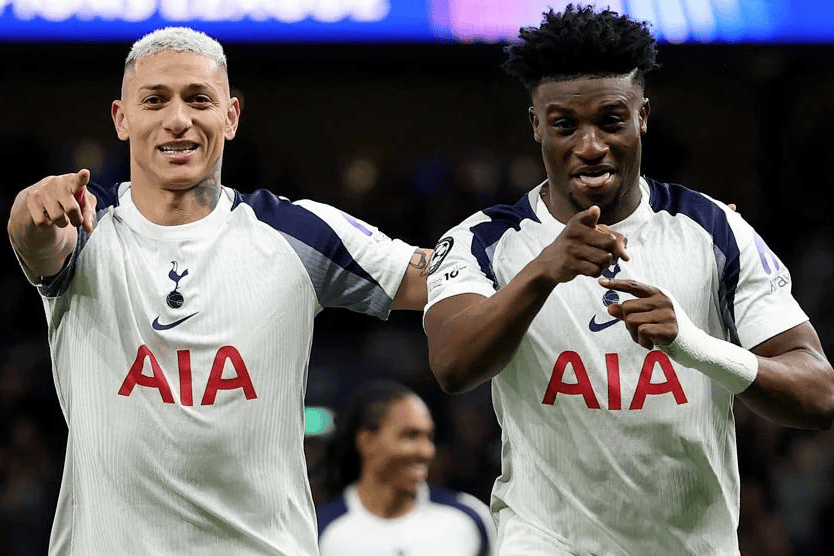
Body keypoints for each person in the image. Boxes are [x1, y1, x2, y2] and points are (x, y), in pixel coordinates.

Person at [422, 4, 834, 555]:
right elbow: (452, 364)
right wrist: (544, 270)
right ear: (536, 125)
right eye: (565, 125)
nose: (590, 146)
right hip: (546, 540)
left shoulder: (714, 228)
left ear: (642, 116)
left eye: (611, 120)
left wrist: (696, 346)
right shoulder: (483, 239)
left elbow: (819, 394)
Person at [6, 27, 431, 555]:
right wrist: (33, 204)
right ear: (121, 117)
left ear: (230, 116)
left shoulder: (297, 234)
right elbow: (35, 237)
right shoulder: (85, 225)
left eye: (198, 99)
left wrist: (516, 245)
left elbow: (435, 277)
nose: (177, 119)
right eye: (155, 100)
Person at [316, 379, 495, 556]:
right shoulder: (321, 530)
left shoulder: (470, 518)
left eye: (429, 437)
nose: (427, 451)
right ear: (367, 441)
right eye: (410, 436)